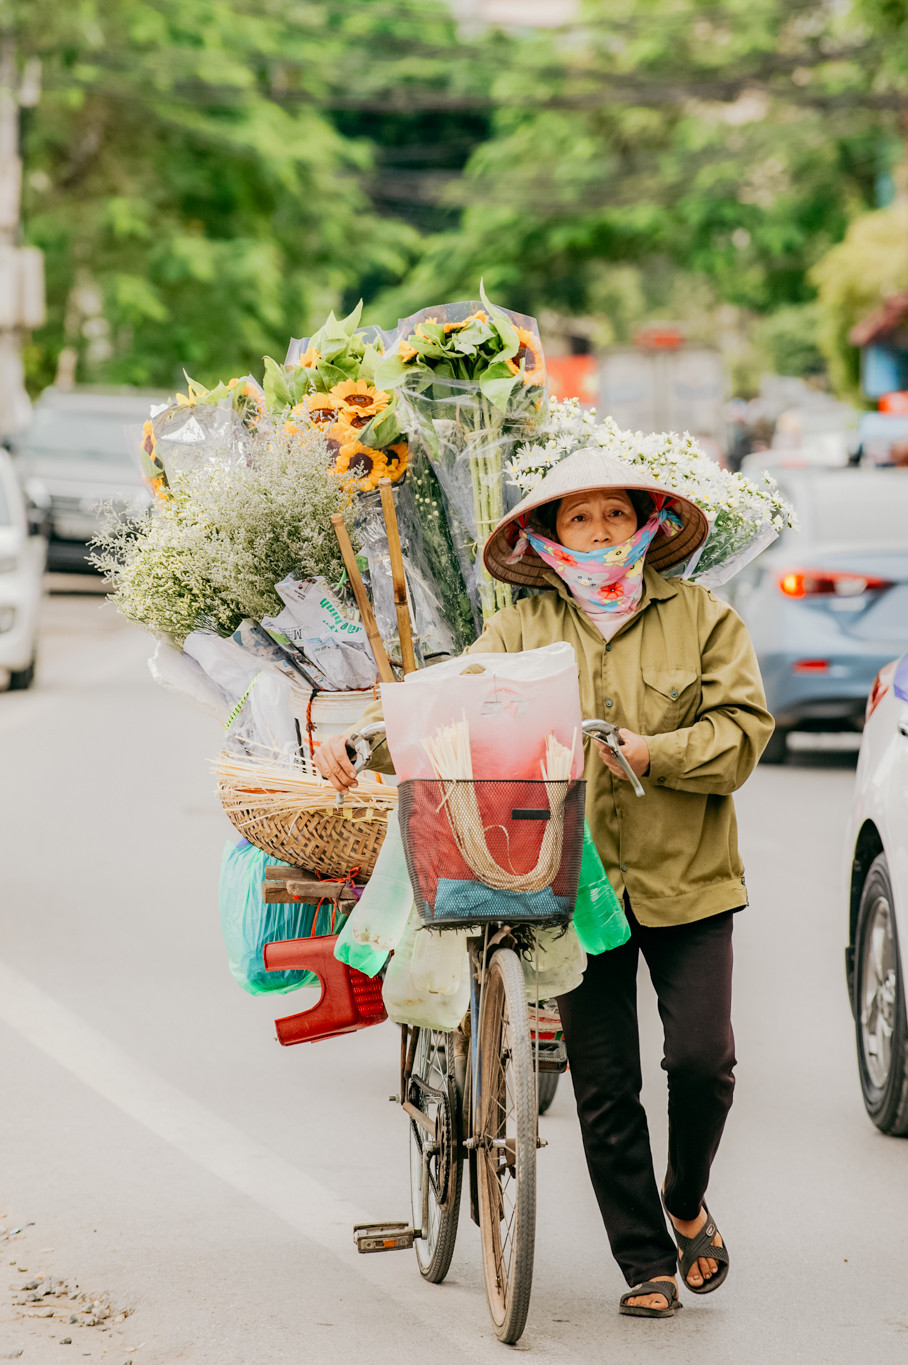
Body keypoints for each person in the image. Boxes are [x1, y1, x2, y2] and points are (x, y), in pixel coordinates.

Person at [316, 447, 773, 1320]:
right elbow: (446, 702)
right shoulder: (523, 629)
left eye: (613, 514)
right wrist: (362, 740)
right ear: (548, 536)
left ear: (647, 524)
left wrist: (656, 751)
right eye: (577, 518)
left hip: (690, 880)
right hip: (566, 887)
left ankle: (684, 1197)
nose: (598, 532)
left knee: (705, 1061)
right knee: (605, 1083)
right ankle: (646, 1259)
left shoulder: (706, 619)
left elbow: (743, 733)